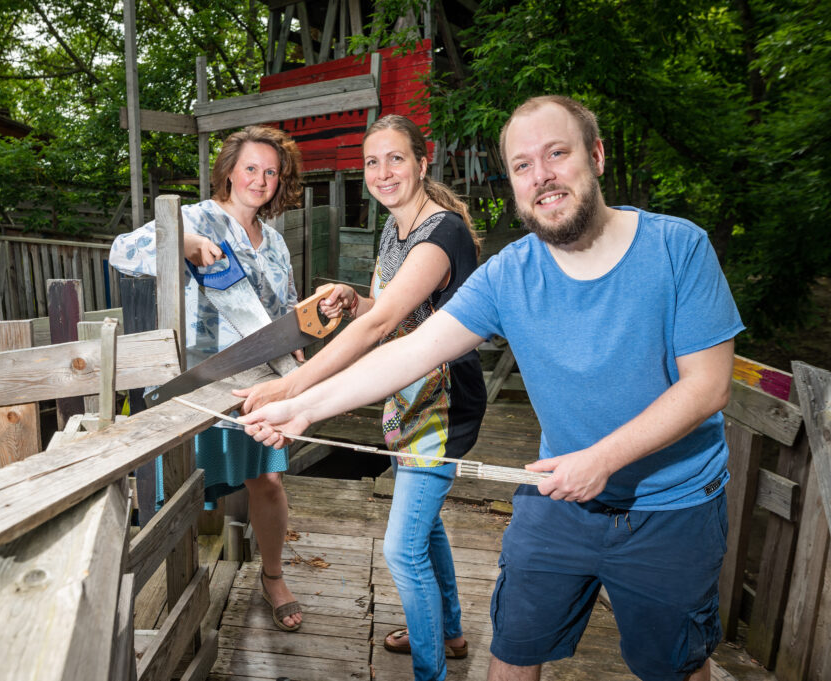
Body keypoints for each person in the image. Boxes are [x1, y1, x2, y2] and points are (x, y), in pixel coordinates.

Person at [241, 95, 744, 681]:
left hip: (671, 508)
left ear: (597, 155)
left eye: (558, 153)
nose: (542, 176)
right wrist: (303, 407)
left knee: (675, 668)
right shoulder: (511, 273)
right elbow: (410, 349)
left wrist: (603, 459)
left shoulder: (679, 247)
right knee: (510, 655)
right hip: (558, 500)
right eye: (523, 165)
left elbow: (708, 387)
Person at [235, 114, 486, 681]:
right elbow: (381, 311)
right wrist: (353, 298)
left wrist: (292, 387)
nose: (382, 172)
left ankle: (431, 672)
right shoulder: (394, 229)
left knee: (401, 550)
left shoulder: (440, 232)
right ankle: (447, 633)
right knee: (427, 525)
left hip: (444, 402)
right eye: (372, 161)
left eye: (396, 158)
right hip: (404, 391)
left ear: (423, 163)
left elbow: (383, 328)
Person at [109, 125, 305, 632]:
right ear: (229, 172)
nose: (260, 179)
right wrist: (188, 242)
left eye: (270, 171)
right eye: (251, 168)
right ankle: (166, 589)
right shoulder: (194, 216)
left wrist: (301, 372)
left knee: (267, 479)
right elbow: (122, 251)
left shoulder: (277, 244)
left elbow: (284, 314)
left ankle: (273, 575)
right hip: (195, 381)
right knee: (178, 486)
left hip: (257, 379)